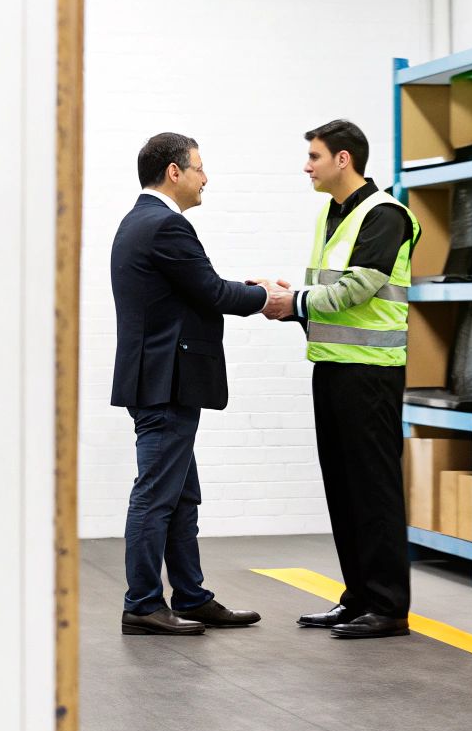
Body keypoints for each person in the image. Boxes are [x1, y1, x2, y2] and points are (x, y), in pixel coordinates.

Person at [109, 132, 288, 635]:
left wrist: (249, 291)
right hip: (166, 383)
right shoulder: (165, 226)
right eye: (199, 168)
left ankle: (190, 595)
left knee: (181, 496)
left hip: (163, 381)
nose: (205, 178)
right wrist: (263, 295)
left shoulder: (141, 222)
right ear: (174, 172)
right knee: (155, 496)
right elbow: (209, 290)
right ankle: (142, 603)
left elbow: (192, 291)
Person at [266, 119, 418, 639]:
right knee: (343, 488)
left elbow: (361, 288)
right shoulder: (330, 215)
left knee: (374, 490)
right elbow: (330, 298)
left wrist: (295, 302)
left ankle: (388, 606)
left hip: (371, 375)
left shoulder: (386, 215)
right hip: (331, 365)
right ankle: (358, 597)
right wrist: (292, 304)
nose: (307, 165)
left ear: (343, 160)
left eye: (314, 156)